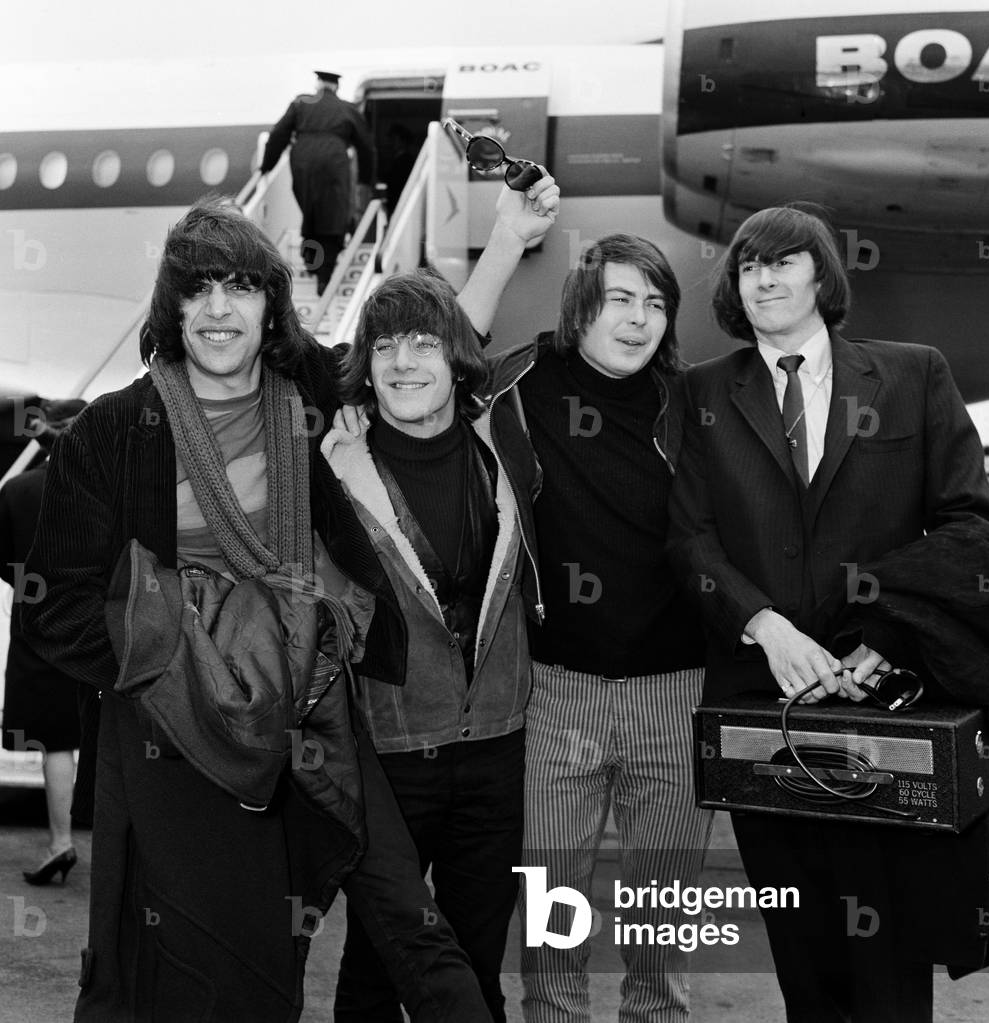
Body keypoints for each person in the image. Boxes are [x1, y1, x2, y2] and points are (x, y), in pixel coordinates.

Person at [20, 199, 493, 1023]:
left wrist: (513, 239)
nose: (216, 309)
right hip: (177, 733)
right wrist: (189, 649)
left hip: (313, 709)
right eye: (196, 290)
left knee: (414, 924)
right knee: (224, 969)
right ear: (172, 307)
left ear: (272, 303)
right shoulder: (112, 431)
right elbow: (55, 610)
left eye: (238, 287)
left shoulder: (308, 396)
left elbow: (428, 357)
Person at [667, 204, 989, 1021]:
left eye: (785, 261)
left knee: (890, 965)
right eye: (749, 266)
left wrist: (888, 634)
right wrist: (764, 624)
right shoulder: (700, 390)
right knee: (803, 962)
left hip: (886, 708)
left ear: (823, 276)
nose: (765, 278)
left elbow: (971, 526)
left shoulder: (913, 373)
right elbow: (688, 537)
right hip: (758, 705)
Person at [456, 182, 713, 1022]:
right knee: (553, 932)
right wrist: (505, 240)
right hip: (557, 689)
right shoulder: (523, 382)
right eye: (620, 299)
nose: (639, 319)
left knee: (662, 936)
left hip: (677, 693)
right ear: (581, 306)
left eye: (655, 303)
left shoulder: (694, 402)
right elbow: (442, 359)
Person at [320, 265, 546, 1022]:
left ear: (457, 358)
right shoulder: (336, 469)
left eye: (424, 342)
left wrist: (513, 233)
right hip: (387, 754)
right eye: (385, 346)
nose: (404, 362)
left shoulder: (505, 446)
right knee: (381, 960)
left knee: (479, 956)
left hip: (495, 750)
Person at [1, 398, 86, 885]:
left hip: (39, 626)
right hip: (98, 625)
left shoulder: (19, 490)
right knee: (112, 737)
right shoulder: (102, 492)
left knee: (54, 741)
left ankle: (60, 841)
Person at [261, 70, 376, 296]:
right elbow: (366, 148)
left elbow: (278, 134)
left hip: (302, 160)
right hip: (333, 160)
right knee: (333, 218)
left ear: (318, 84)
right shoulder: (347, 108)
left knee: (311, 212)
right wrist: (365, 180)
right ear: (336, 87)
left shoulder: (301, 102)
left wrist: (266, 165)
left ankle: (311, 258)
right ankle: (324, 275)